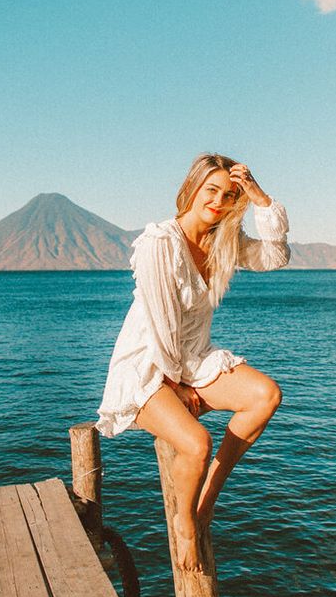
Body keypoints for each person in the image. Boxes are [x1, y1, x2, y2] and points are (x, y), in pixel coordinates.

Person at [96, 153, 290, 571]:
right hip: (148, 367)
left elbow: (276, 256)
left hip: (192, 360)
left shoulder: (224, 240)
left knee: (265, 396)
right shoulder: (159, 243)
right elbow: (161, 325)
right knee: (196, 443)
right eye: (212, 190)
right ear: (192, 189)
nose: (219, 201)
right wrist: (178, 386)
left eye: (229, 194)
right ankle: (184, 522)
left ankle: (208, 498)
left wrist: (260, 199)